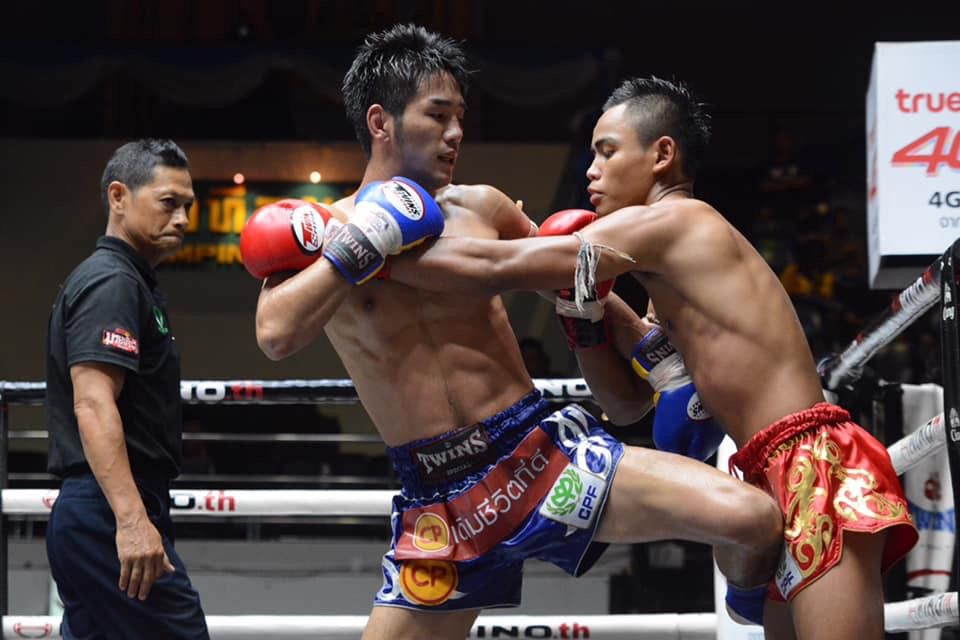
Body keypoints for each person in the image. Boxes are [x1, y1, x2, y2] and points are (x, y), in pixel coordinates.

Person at [246, 25, 783, 640]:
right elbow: (276, 334)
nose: (455, 133)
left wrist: (648, 346)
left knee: (753, 519)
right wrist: (359, 244)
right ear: (380, 122)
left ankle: (753, 615)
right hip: (438, 500)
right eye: (438, 115)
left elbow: (569, 278)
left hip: (539, 458)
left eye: (460, 117)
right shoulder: (322, 230)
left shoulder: (483, 207)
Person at [388, 76, 920, 639]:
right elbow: (627, 404)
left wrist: (368, 253)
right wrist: (584, 317)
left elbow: (497, 268)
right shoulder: (665, 282)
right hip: (767, 472)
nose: (591, 171)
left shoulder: (677, 222)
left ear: (662, 154)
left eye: (607, 152)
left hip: (814, 462)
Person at [45, 139, 209, 639]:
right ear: (119, 196)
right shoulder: (111, 282)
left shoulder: (129, 282)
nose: (182, 218)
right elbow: (93, 403)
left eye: (188, 206)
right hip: (109, 507)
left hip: (108, 508)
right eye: (168, 202)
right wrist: (132, 520)